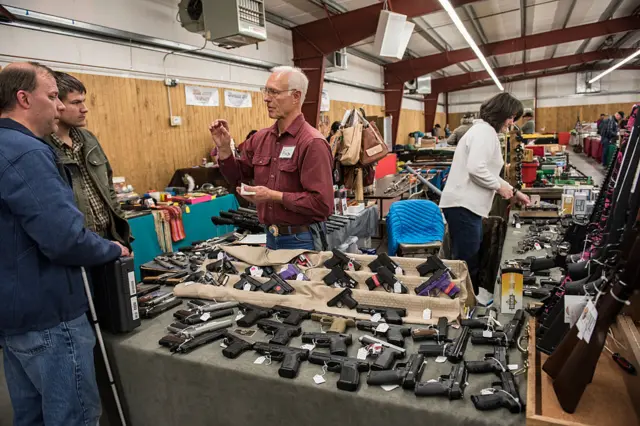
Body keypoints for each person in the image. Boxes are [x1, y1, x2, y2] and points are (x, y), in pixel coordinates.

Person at [0, 62, 129, 426]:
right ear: (24, 99)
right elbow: (65, 240)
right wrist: (112, 249)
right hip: (50, 314)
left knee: (32, 416)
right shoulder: (27, 153)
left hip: (15, 315)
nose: (60, 106)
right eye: (53, 96)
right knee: (74, 417)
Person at [210, 66, 333, 251]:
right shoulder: (260, 139)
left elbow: (322, 205)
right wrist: (225, 149)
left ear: (296, 96)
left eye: (274, 92)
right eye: (266, 91)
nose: (267, 98)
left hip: (302, 239)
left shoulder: (312, 143)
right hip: (270, 237)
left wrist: (272, 196)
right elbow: (237, 176)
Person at [440, 92, 531, 293]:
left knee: (469, 258)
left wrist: (513, 191)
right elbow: (476, 169)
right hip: (463, 206)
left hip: (465, 206)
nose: (511, 122)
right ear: (501, 113)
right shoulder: (484, 133)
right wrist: (501, 187)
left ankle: (465, 303)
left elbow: (486, 172)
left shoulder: (484, 132)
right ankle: (463, 307)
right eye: (511, 117)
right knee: (465, 263)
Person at [43, 72, 132, 248]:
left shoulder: (88, 139)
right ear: (57, 104)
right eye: (76, 103)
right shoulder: (43, 147)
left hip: (110, 237)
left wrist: (123, 236)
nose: (84, 108)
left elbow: (109, 189)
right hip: (79, 244)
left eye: (83, 101)